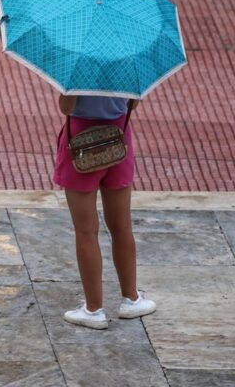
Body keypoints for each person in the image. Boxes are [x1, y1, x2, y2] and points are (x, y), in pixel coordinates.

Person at [53, 94, 157, 330]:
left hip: (80, 142)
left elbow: (66, 108)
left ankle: (93, 309)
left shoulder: (77, 73)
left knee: (86, 231)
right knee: (121, 227)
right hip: (118, 140)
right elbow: (133, 104)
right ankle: (131, 299)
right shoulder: (125, 72)